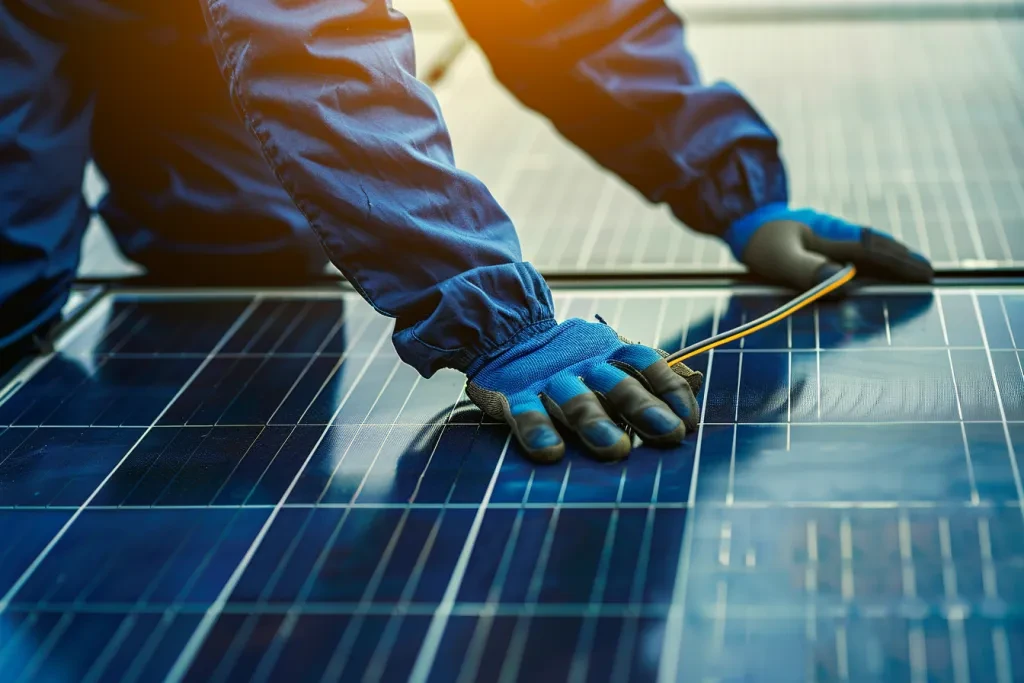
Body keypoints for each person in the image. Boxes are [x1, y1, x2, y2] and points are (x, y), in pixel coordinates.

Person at [0, 0, 932, 462]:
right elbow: (307, 42)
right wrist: (499, 323)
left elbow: (564, 14)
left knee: (246, 246)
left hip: (168, 29)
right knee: (13, 283)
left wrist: (739, 192)